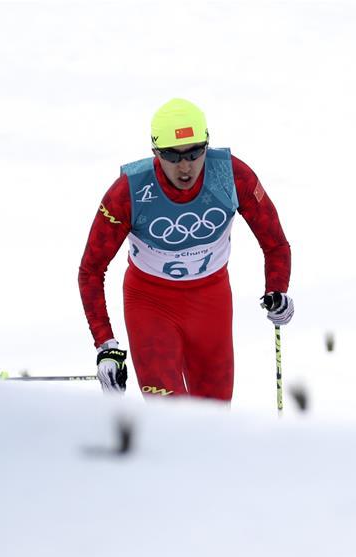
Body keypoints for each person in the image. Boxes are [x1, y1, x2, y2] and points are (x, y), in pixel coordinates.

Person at [78, 98, 293, 399]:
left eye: (194, 152)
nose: (185, 166)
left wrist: (277, 290)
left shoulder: (230, 175)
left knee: (214, 416)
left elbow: (275, 244)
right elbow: (91, 270)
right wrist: (106, 346)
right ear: (155, 152)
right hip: (149, 305)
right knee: (168, 413)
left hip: (211, 303)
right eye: (172, 155)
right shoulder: (129, 190)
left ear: (207, 144)